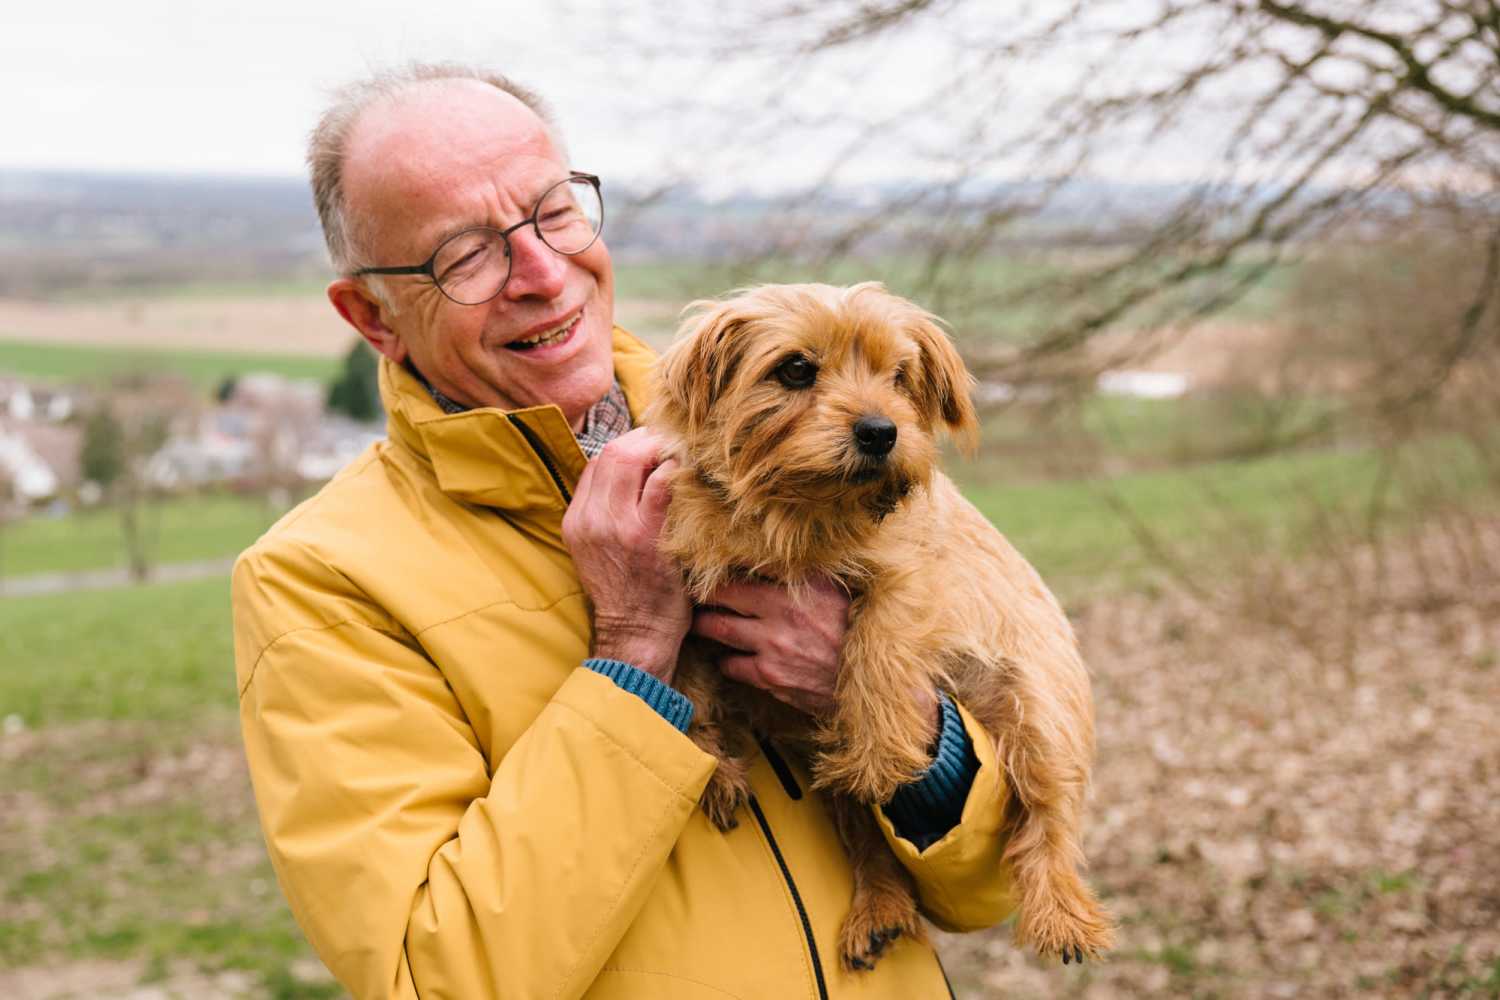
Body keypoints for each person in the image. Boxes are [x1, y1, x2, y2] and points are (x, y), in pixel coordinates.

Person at [233, 63, 1018, 999]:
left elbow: (991, 889)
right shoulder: (322, 582)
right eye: (463, 255)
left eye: (552, 211)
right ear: (373, 316)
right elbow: (439, 978)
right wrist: (634, 656)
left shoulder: (812, 449)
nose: (541, 273)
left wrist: (879, 702)